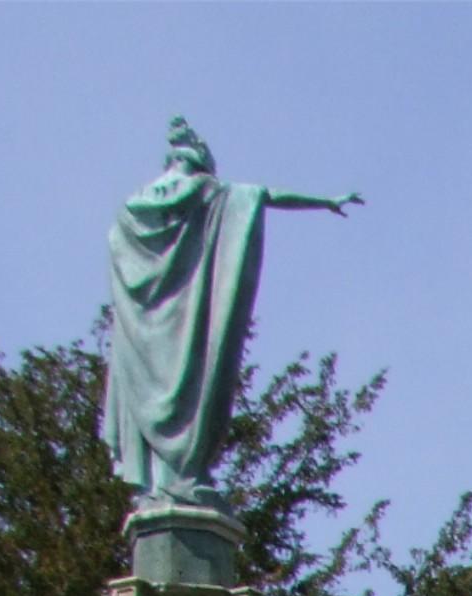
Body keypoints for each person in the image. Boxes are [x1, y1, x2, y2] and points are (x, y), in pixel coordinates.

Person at [103, 118, 360, 506]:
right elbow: (265, 195)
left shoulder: (131, 210)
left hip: (142, 328)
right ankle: (179, 481)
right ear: (201, 162)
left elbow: (118, 257)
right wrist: (324, 201)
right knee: (192, 388)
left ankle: (163, 484)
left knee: (156, 395)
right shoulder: (210, 192)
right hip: (183, 324)